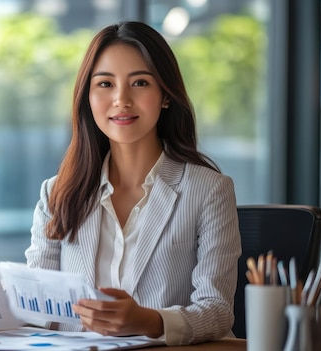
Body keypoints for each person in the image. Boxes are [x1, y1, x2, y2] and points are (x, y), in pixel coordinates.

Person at [24, 21, 241, 346]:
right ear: (88, 98)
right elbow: (35, 304)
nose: (121, 99)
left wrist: (149, 320)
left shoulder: (209, 191)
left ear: (166, 95)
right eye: (105, 84)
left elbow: (218, 311)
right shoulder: (58, 193)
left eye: (139, 83)